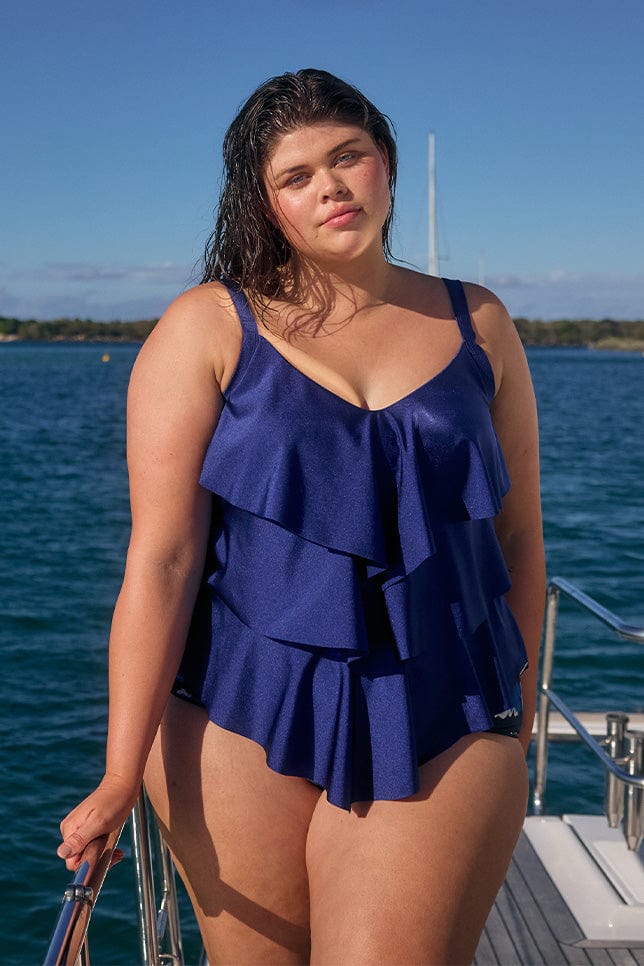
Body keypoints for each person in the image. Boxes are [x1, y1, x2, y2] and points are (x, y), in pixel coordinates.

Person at [58, 68, 545, 964]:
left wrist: (508, 711)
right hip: (237, 712)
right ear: (265, 203)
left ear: (386, 167)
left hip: (442, 708)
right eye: (296, 175)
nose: (331, 185)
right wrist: (119, 772)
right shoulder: (208, 328)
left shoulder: (480, 321)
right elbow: (163, 560)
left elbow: (520, 538)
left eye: (348, 156)